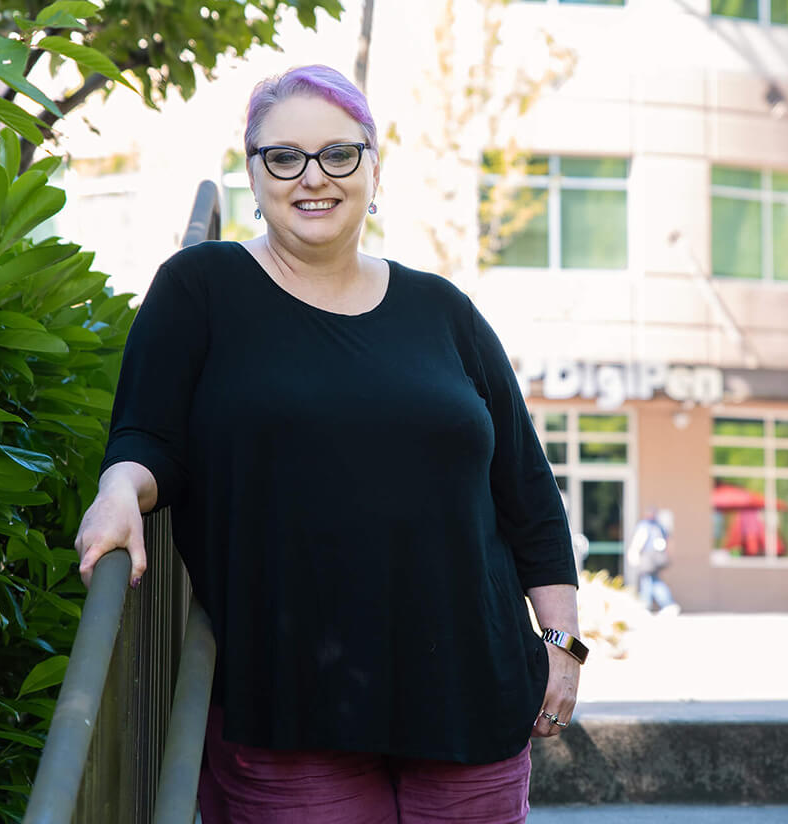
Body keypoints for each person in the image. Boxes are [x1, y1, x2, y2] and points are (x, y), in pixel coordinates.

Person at [73, 65, 584, 824]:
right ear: (253, 172)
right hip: (291, 702)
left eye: (338, 154)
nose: (313, 177)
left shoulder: (443, 310)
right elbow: (148, 437)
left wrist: (565, 644)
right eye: (284, 157)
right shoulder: (200, 288)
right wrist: (120, 489)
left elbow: (526, 490)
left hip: (471, 690)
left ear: (374, 168)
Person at [625, 508, 680, 616]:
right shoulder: (660, 527)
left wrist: (633, 556)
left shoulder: (644, 526)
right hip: (657, 560)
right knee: (652, 581)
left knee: (650, 581)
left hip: (648, 560)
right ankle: (653, 605)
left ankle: (660, 604)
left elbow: (638, 543)